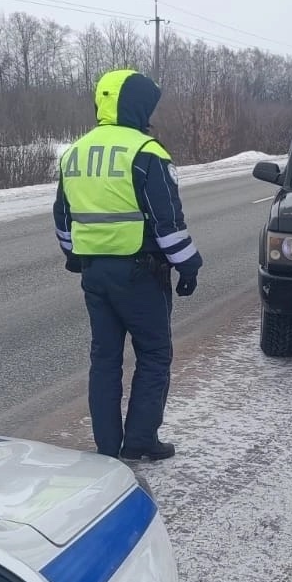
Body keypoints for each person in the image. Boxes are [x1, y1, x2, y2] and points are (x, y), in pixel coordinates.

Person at [53, 68, 202, 461]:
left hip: (94, 273)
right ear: (137, 105)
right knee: (154, 355)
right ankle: (139, 442)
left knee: (104, 359)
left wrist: (74, 256)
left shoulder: (74, 152)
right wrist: (188, 265)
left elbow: (63, 218)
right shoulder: (146, 151)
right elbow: (166, 220)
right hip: (141, 272)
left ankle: (106, 447)